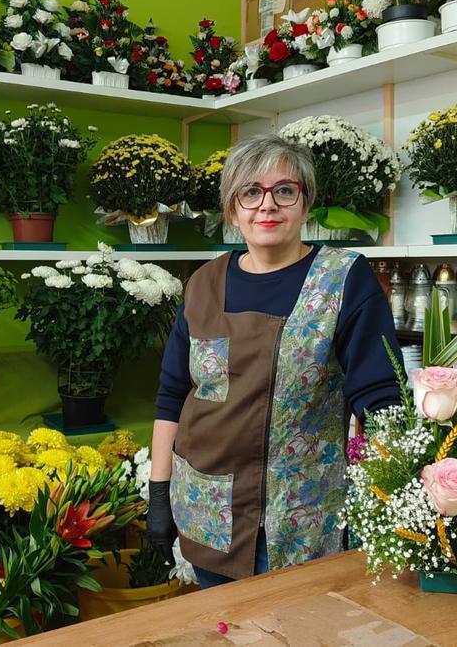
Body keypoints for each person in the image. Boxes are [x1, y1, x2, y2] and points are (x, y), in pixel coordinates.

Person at [146, 134, 403, 589]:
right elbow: (173, 394)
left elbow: (380, 396)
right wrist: (160, 492)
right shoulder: (204, 283)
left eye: (285, 190)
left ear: (305, 204)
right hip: (207, 510)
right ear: (233, 208)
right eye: (251, 192)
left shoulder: (343, 278)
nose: (267, 206)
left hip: (302, 522)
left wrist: (394, 494)